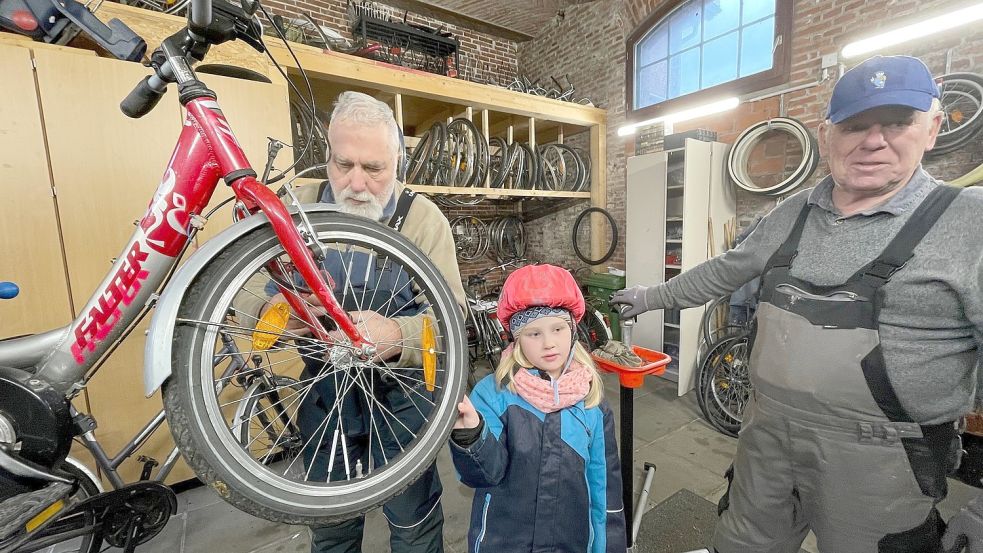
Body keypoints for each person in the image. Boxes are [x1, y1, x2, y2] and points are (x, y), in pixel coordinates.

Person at [612, 55, 983, 552]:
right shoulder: (794, 211)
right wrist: (651, 297)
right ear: (827, 134)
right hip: (766, 437)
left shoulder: (968, 226)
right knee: (742, 542)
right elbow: (726, 269)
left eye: (897, 122)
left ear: (933, 128)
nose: (873, 141)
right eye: (854, 125)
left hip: (885, 461)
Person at [240, 91, 466, 553]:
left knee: (412, 521)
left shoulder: (422, 220)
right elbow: (241, 297)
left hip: (403, 395)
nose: (357, 183)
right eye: (343, 165)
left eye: (374, 169)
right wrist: (283, 315)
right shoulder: (294, 208)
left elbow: (452, 321)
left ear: (397, 165)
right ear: (327, 156)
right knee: (331, 522)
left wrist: (397, 335)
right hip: (324, 392)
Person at [449, 264, 627, 553]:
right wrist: (471, 436)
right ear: (516, 339)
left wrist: (609, 547)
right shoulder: (494, 395)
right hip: (504, 542)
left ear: (572, 330)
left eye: (557, 328)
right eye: (533, 333)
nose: (549, 343)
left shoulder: (593, 403)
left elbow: (604, 488)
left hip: (570, 542)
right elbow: (484, 475)